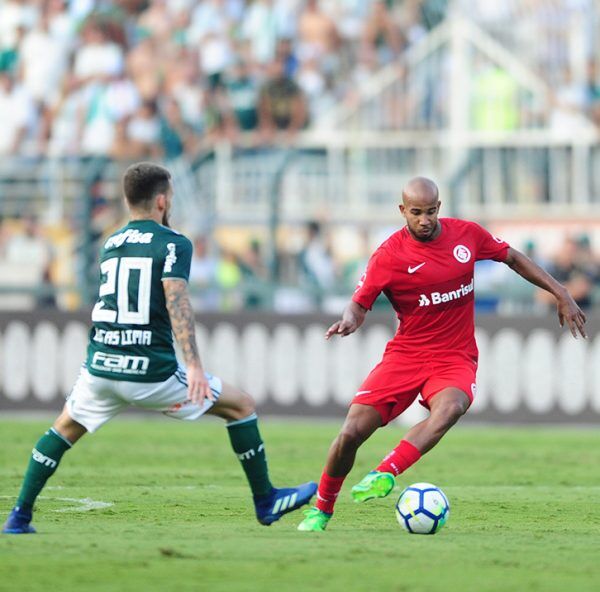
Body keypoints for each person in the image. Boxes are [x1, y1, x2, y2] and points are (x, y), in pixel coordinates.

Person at [2, 162, 316, 535]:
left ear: (127, 199)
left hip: (101, 366)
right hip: (150, 371)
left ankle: (19, 516)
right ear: (163, 200)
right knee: (241, 406)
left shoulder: (111, 243)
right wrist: (194, 366)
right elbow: (177, 301)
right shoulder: (173, 243)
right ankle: (265, 500)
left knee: (63, 430)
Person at [297, 176, 587, 532]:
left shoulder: (465, 235)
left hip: (455, 356)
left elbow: (511, 257)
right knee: (351, 433)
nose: (424, 219)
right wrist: (349, 320)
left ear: (439, 208)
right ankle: (321, 510)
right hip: (406, 356)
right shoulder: (388, 256)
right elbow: (359, 304)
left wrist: (561, 293)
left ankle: (386, 472)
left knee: (451, 407)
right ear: (402, 211)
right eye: (416, 212)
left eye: (430, 211)